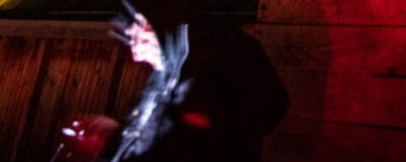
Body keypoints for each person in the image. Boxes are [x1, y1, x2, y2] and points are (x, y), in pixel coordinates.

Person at [112, 9, 290, 162]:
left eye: (139, 38)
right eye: (130, 40)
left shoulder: (224, 52)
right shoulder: (165, 69)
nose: (135, 55)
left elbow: (275, 104)